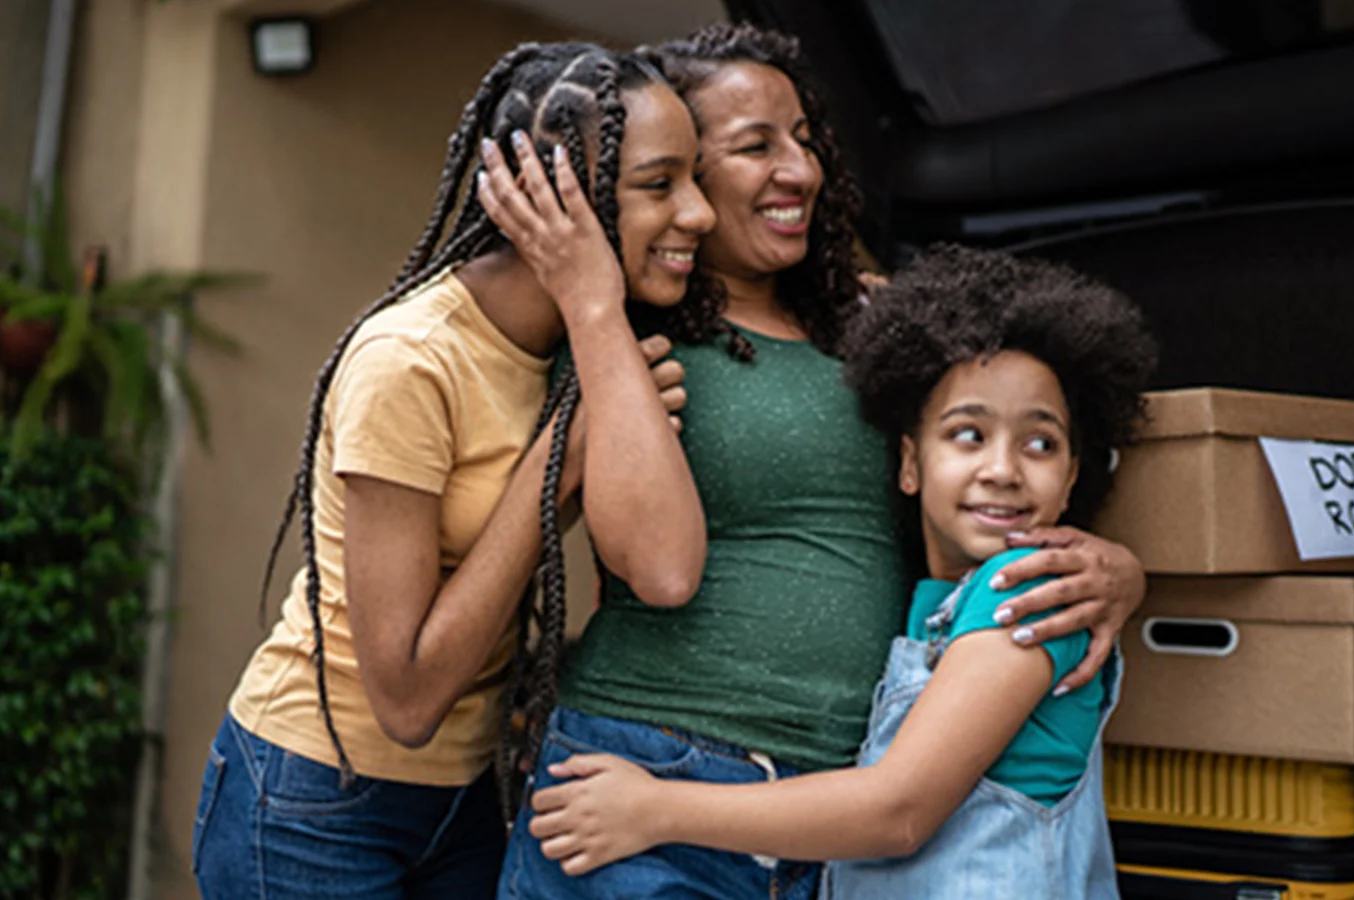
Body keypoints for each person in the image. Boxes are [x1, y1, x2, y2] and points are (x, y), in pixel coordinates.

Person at [484, 24, 1149, 900]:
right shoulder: (629, 336)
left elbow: (1023, 444)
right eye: (755, 145)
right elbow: (651, 566)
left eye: (804, 139)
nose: (798, 170)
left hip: (838, 812)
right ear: (678, 171)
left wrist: (1121, 567)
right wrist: (593, 305)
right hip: (646, 781)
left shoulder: (885, 330)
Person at [191, 43, 718, 899]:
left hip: (463, 799)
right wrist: (562, 452)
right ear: (550, 197)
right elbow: (405, 697)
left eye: (695, 178)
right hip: (310, 803)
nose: (698, 213)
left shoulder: (586, 345)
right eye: (659, 185)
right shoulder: (412, 361)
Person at [524, 245, 1158, 900]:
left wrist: (653, 809)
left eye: (1040, 443)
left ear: (1073, 475)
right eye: (969, 434)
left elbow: (898, 811)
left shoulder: (1029, 596)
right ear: (909, 464)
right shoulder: (935, 608)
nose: (1003, 469)